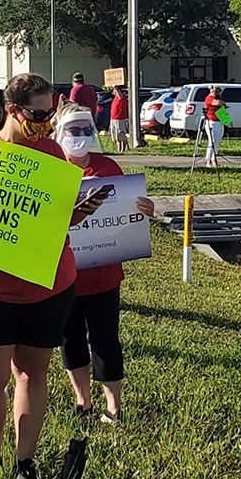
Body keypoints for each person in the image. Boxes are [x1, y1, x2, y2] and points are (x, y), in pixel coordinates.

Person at [0, 73, 105, 479]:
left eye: (50, 113)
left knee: (32, 375)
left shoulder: (53, 155)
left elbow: (56, 221)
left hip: (47, 286)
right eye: (39, 114)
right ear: (13, 111)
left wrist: (81, 212)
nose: (46, 123)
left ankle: (25, 464)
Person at [53, 101, 155, 426]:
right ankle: (82, 400)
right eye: (72, 130)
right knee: (70, 340)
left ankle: (113, 407)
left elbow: (126, 212)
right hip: (61, 276)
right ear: (59, 132)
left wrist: (144, 209)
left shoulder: (109, 167)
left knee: (105, 340)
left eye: (85, 129)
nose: (80, 136)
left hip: (104, 276)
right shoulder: (49, 169)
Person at [203, 86, 226, 168]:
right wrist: (222, 102)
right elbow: (216, 103)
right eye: (215, 92)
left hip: (219, 122)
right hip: (211, 122)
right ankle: (209, 160)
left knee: (217, 142)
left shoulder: (218, 99)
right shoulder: (209, 98)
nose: (216, 94)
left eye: (218, 92)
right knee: (211, 142)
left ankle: (214, 158)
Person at [109, 86, 128, 153]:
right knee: (116, 137)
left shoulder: (122, 97)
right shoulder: (115, 98)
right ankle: (118, 149)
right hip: (113, 118)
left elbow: (119, 95)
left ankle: (122, 150)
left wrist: (115, 88)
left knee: (121, 135)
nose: (113, 92)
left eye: (115, 91)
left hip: (120, 119)